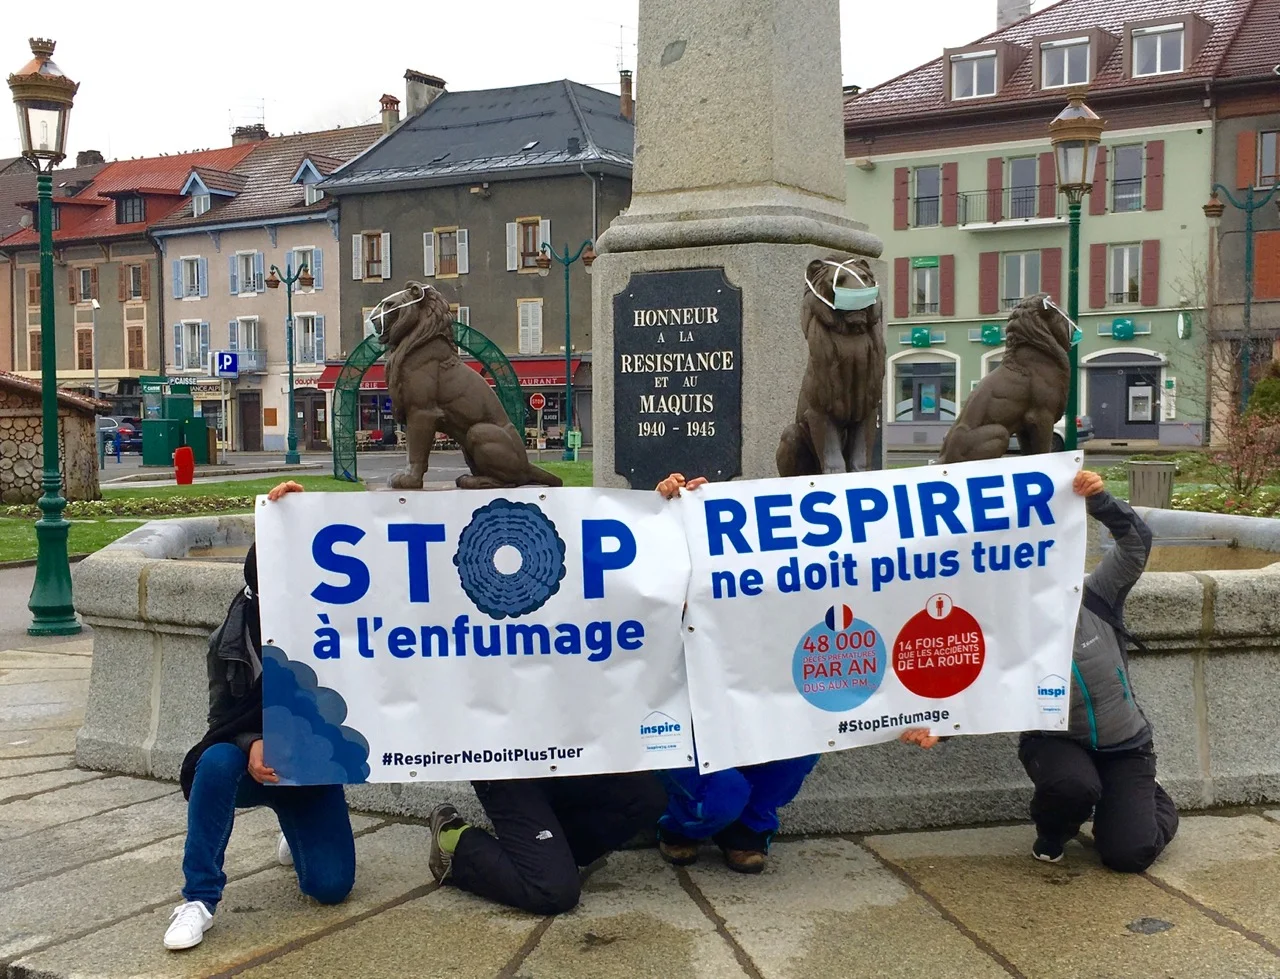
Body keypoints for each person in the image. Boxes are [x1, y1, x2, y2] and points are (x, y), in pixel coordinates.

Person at [901, 469, 1178, 873]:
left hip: (1126, 745)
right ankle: (1052, 832)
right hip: (1054, 741)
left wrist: (1100, 501)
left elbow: (1136, 544)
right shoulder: (999, 625)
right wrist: (936, 726)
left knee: (1129, 854)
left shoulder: (1096, 596)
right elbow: (978, 687)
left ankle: (1148, 797)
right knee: (1073, 786)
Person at [164, 480, 356, 950]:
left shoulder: (336, 626)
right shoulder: (229, 642)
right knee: (215, 762)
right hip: (252, 767)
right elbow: (219, 725)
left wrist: (301, 508)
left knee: (331, 887)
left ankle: (295, 828)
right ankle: (199, 897)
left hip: (310, 771)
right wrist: (252, 743)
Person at [647, 472, 821, 874]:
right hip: (680, 711)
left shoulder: (777, 585)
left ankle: (748, 826)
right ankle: (683, 826)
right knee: (721, 795)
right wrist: (667, 506)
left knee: (805, 738)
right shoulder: (673, 568)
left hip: (751, 699)